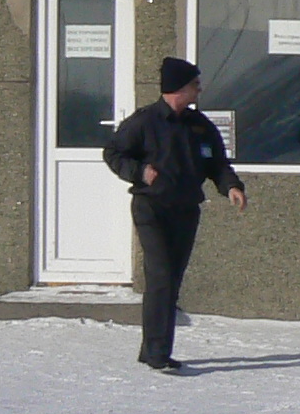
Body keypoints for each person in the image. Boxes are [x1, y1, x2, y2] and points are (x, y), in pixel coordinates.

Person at [103, 57, 245, 373]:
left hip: (185, 210)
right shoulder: (144, 122)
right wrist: (139, 172)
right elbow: (113, 152)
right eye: (195, 84)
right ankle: (157, 353)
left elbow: (217, 164)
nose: (199, 89)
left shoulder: (200, 126)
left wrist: (232, 187)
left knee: (172, 280)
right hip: (151, 208)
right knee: (161, 276)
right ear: (178, 88)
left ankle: (152, 349)